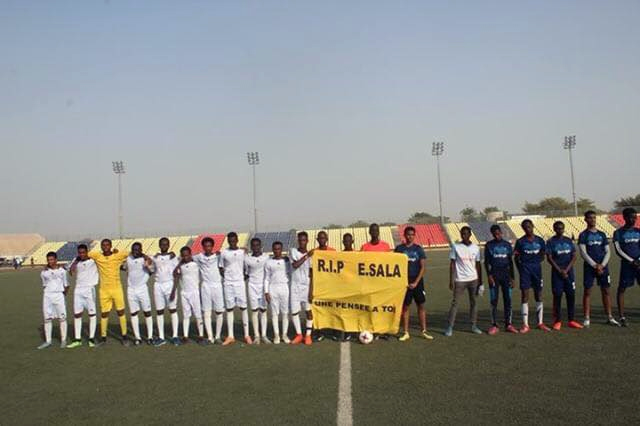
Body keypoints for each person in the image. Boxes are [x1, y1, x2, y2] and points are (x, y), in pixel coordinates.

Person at [578, 210, 619, 327]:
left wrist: (602, 265)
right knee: (587, 291)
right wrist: (595, 265)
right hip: (590, 267)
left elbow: (608, 251)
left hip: (603, 267)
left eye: (594, 218)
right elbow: (583, 252)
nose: (592, 220)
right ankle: (586, 317)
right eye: (590, 218)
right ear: (585, 220)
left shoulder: (602, 234)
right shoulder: (583, 235)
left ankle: (609, 316)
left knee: (606, 291)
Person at [88, 239, 130, 345]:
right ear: (101, 247)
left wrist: (118, 250)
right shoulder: (97, 256)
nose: (105, 247)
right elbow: (83, 255)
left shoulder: (117, 255)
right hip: (104, 290)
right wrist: (73, 263)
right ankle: (103, 338)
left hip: (117, 289)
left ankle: (124, 336)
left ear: (111, 246)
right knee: (104, 314)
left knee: (121, 312)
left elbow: (131, 253)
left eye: (107, 245)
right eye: (103, 245)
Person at [395, 226, 433, 341]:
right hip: (404, 283)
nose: (410, 236)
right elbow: (394, 265)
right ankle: (406, 332)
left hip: (417, 281)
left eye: (412, 234)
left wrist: (416, 282)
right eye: (408, 234)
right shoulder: (399, 249)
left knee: (421, 305)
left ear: (414, 235)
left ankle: (424, 331)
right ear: (404, 235)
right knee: (405, 307)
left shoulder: (418, 249)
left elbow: (423, 267)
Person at [445, 227, 483, 337]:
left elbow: (478, 265)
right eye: (462, 234)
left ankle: (473, 325)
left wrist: (480, 281)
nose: (464, 236)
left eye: (466, 234)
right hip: (460, 280)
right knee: (455, 303)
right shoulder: (456, 247)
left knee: (473, 303)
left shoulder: (475, 248)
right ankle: (450, 327)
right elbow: (452, 264)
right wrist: (451, 280)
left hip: (473, 279)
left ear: (470, 234)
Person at [514, 219, 550, 333]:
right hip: (525, 270)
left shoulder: (540, 240)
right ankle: (525, 325)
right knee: (525, 296)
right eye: (525, 227)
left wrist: (537, 261)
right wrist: (520, 269)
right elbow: (516, 258)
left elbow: (543, 253)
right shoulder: (520, 242)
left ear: (533, 226)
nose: (527, 229)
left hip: (537, 270)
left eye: (529, 226)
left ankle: (540, 323)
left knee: (538, 295)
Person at [546, 221, 582, 330]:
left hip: (569, 273)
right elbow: (549, 258)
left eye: (561, 228)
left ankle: (571, 320)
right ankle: (557, 321)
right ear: (554, 229)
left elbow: (574, 256)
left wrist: (566, 270)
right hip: (557, 273)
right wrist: (560, 270)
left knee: (571, 295)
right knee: (557, 296)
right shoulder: (551, 242)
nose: (560, 230)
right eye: (558, 228)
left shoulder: (568, 240)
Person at [484, 225, 518, 335]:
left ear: (501, 233)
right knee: (494, 300)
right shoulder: (489, 245)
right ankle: (494, 325)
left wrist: (513, 278)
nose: (497, 236)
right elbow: (486, 262)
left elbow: (510, 262)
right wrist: (489, 276)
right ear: (492, 234)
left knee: (508, 299)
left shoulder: (507, 245)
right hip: (494, 275)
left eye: (498, 233)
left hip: (506, 275)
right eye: (495, 234)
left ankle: (509, 324)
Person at [220, 232, 251, 345]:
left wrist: (244, 278)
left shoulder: (242, 252)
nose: (232, 242)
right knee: (229, 309)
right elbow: (221, 267)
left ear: (237, 240)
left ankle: (246, 335)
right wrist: (227, 278)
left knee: (243, 308)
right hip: (228, 284)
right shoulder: (224, 253)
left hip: (239, 284)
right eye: (230, 241)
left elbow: (247, 267)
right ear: (228, 241)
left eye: (234, 240)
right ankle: (230, 336)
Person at [65, 244, 99, 348]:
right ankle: (77, 339)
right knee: (77, 314)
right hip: (78, 290)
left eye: (83, 252)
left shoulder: (93, 260)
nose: (82, 254)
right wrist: (75, 262)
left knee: (92, 314)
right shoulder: (76, 260)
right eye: (80, 253)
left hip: (89, 289)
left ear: (87, 252)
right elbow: (69, 270)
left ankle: (91, 339)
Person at [194, 237, 225, 344]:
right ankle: (210, 337)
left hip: (217, 286)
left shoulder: (218, 256)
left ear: (212, 246)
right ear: (203, 247)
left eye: (209, 246)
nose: (208, 248)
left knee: (219, 312)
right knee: (207, 312)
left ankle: (217, 336)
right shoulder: (199, 257)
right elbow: (185, 257)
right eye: (205, 246)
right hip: (205, 287)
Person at [612, 207, 640, 327]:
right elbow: (618, 250)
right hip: (627, 265)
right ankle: (622, 316)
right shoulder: (618, 233)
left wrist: (638, 260)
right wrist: (632, 261)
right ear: (624, 218)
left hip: (639, 264)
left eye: (635, 217)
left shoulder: (638, 231)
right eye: (630, 217)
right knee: (622, 289)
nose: (633, 220)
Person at [171, 246, 205, 343]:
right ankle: (185, 336)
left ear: (190, 254)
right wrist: (179, 263)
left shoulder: (196, 264)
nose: (185, 257)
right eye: (183, 256)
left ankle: (201, 335)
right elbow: (175, 274)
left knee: (198, 314)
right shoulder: (181, 266)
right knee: (186, 315)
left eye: (187, 255)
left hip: (194, 292)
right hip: (184, 293)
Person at [308, 231, 337, 342]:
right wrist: (311, 289)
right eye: (320, 238)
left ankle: (335, 330)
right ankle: (319, 331)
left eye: (324, 238)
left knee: (333, 309)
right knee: (318, 309)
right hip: (318, 286)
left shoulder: (333, 252)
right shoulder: (314, 253)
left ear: (327, 239)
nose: (322, 240)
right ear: (317, 240)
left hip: (331, 285)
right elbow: (311, 272)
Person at [150, 238, 180, 346]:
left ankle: (175, 336)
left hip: (169, 285)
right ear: (159, 245)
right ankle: (161, 337)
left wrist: (174, 290)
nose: (164, 246)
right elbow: (152, 269)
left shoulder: (173, 257)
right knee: (159, 311)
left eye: (166, 244)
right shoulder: (155, 257)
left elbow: (177, 273)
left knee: (173, 310)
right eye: (162, 244)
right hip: (158, 285)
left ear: (169, 245)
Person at [124, 242, 155, 345]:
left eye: (137, 250)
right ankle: (137, 338)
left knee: (147, 312)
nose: (135, 252)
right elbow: (123, 266)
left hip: (142, 289)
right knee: (133, 313)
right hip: (131, 289)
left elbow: (152, 271)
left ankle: (150, 337)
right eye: (134, 249)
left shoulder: (145, 259)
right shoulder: (128, 258)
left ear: (141, 250)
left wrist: (148, 264)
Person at [37, 252, 69, 349]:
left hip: (59, 295)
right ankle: (48, 341)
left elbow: (66, 285)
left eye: (51, 259)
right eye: (48, 260)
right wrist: (49, 292)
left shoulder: (62, 271)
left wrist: (62, 295)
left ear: (56, 260)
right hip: (47, 296)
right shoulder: (44, 272)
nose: (50, 262)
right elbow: (44, 285)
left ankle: (63, 340)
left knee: (62, 318)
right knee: (47, 318)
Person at [244, 237, 271, 344]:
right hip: (252, 286)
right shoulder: (247, 259)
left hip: (263, 287)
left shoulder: (266, 257)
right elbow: (246, 273)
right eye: (253, 245)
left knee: (263, 311)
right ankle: (256, 336)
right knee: (254, 311)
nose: (255, 247)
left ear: (261, 246)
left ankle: (264, 335)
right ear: (251, 247)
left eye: (257, 245)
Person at [289, 231, 314, 345]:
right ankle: (299, 334)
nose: (302, 242)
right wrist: (307, 256)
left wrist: (311, 291)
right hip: (295, 286)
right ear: (297, 241)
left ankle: (308, 335)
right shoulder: (293, 251)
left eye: (304, 240)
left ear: (307, 241)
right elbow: (295, 265)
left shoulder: (312, 256)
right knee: (294, 312)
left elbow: (312, 274)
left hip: (306, 287)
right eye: (300, 240)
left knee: (308, 311)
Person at [264, 241, 291, 345]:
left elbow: (290, 273)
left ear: (281, 249)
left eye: (279, 249)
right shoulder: (268, 262)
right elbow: (266, 278)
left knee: (285, 313)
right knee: (274, 313)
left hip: (284, 287)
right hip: (273, 288)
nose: (277, 251)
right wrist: (266, 292)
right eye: (275, 249)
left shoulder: (286, 261)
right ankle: (276, 335)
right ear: (272, 250)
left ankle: (284, 334)